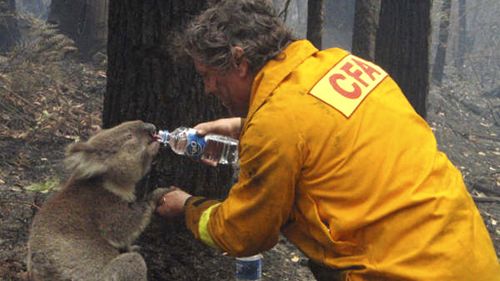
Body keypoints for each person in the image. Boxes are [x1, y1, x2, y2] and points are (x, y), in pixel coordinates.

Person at [156, 0, 500, 280]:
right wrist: (240, 125)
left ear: (239, 62)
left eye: (209, 77)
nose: (208, 89)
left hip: (400, 272)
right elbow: (320, 128)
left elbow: (244, 234)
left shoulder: (276, 125)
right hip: (469, 255)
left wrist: (187, 206)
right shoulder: (342, 64)